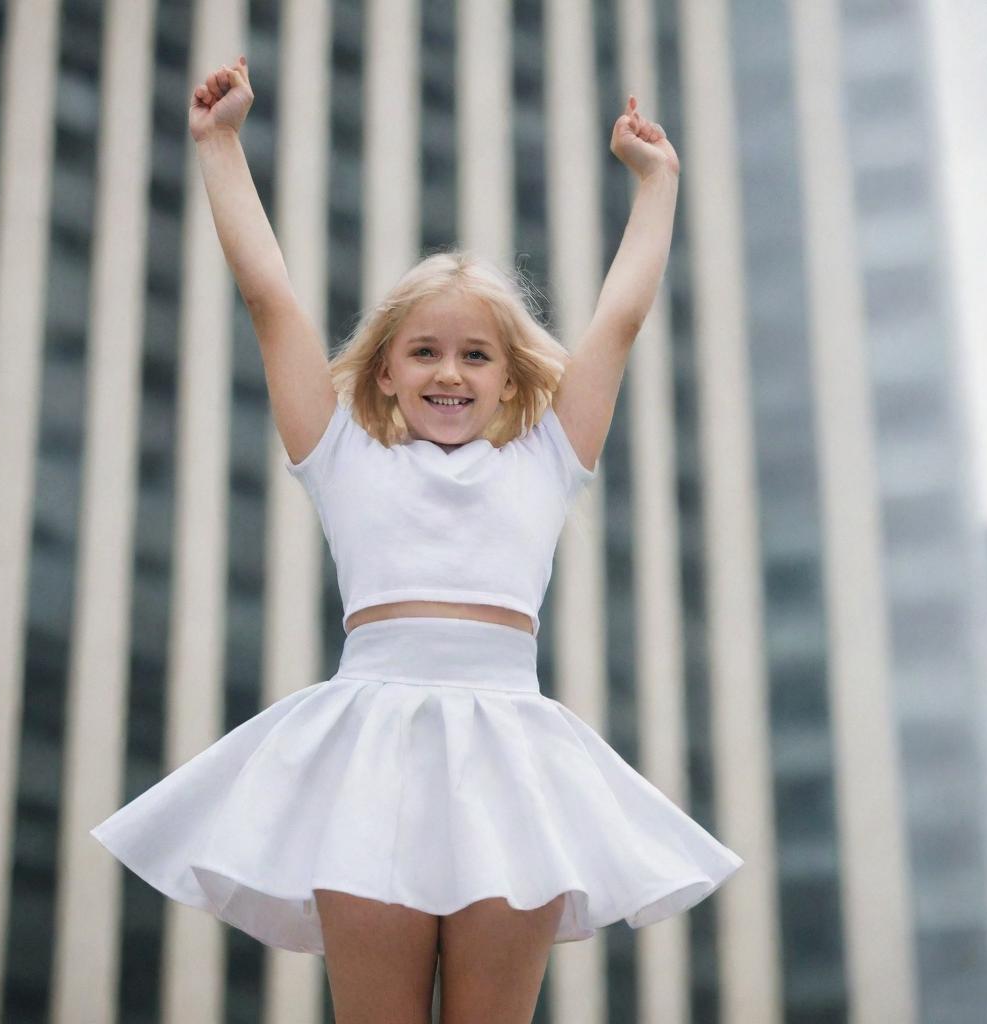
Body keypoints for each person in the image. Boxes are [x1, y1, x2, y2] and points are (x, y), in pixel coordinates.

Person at [90, 55, 742, 1024]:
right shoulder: (341, 451)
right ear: (384, 372)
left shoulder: (549, 453)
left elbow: (621, 314)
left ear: (513, 376)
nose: (450, 372)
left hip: (510, 763)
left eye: (475, 354)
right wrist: (219, 146)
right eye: (424, 351)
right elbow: (271, 299)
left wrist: (659, 183)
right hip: (368, 759)